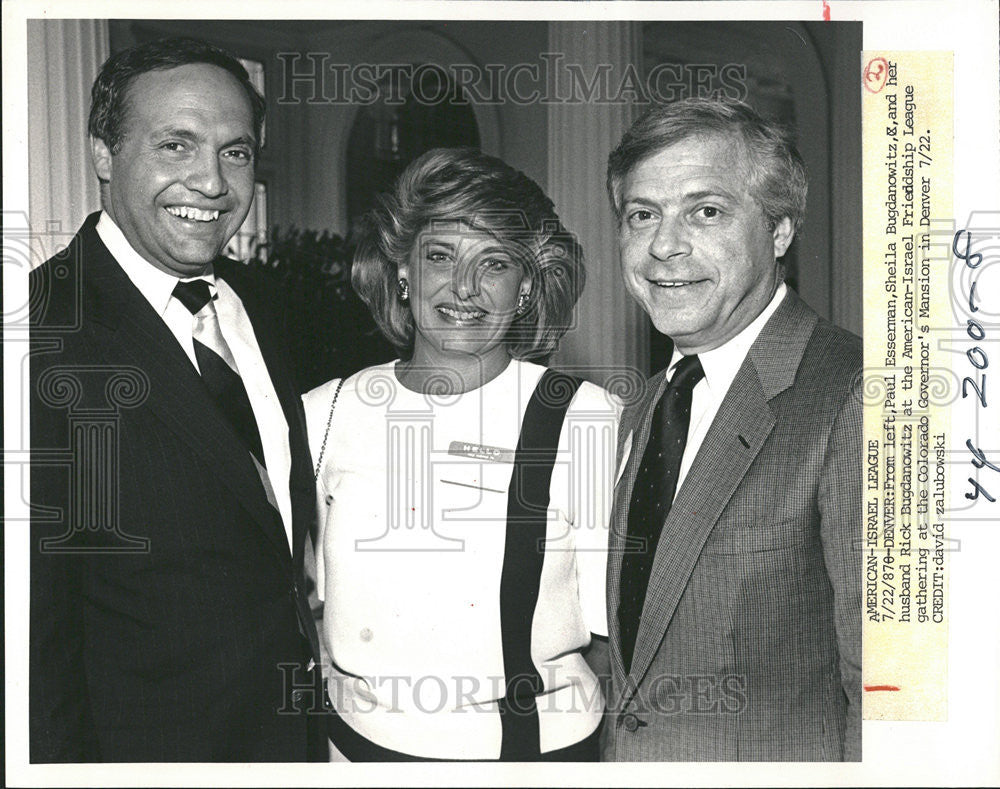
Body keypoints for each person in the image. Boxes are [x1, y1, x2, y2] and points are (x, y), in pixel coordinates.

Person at [29, 37, 324, 762]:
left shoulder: (261, 300)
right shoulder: (39, 335)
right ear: (103, 153)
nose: (212, 183)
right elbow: (34, 639)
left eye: (236, 152)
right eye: (176, 145)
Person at [304, 147, 619, 762]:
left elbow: (613, 634)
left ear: (526, 287)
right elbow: (300, 601)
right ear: (402, 270)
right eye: (440, 256)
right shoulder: (327, 411)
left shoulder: (583, 416)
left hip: (531, 753)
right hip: (352, 750)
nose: (464, 289)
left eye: (494, 263)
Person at [602, 98, 862, 761]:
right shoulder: (650, 400)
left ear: (779, 231)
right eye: (642, 215)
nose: (663, 245)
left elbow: (891, 693)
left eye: (706, 211)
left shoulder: (855, 392)